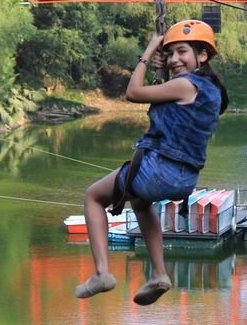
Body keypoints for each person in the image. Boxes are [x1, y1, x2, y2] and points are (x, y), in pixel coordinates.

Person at [75, 19, 229, 305]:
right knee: (141, 203)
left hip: (157, 171)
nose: (174, 59)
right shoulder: (213, 92)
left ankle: (101, 273)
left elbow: (133, 92)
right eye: (170, 54)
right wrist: (162, 70)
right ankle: (159, 273)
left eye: (182, 52)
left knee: (93, 196)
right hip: (185, 180)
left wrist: (148, 51)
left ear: (203, 55)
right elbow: (173, 111)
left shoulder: (185, 85)